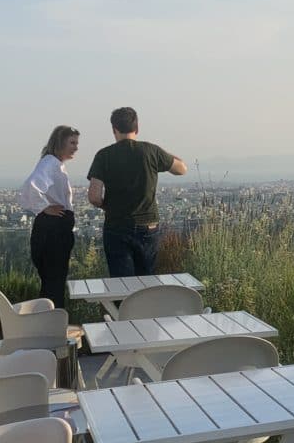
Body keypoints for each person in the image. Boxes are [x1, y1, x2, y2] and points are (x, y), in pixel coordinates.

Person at [86, 107, 187, 277]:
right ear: (137, 128)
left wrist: (107, 206)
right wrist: (159, 152)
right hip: (148, 225)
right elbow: (181, 169)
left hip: (116, 225)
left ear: (114, 130)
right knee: (147, 283)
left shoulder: (104, 155)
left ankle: (122, 305)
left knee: (121, 284)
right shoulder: (151, 151)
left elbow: (94, 197)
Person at [20, 125, 80, 308]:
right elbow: (31, 187)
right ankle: (52, 322)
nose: (76, 148)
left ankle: (49, 321)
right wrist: (44, 208)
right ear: (60, 142)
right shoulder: (51, 163)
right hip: (53, 230)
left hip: (54, 228)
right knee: (54, 282)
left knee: (53, 282)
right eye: (72, 143)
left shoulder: (56, 164)